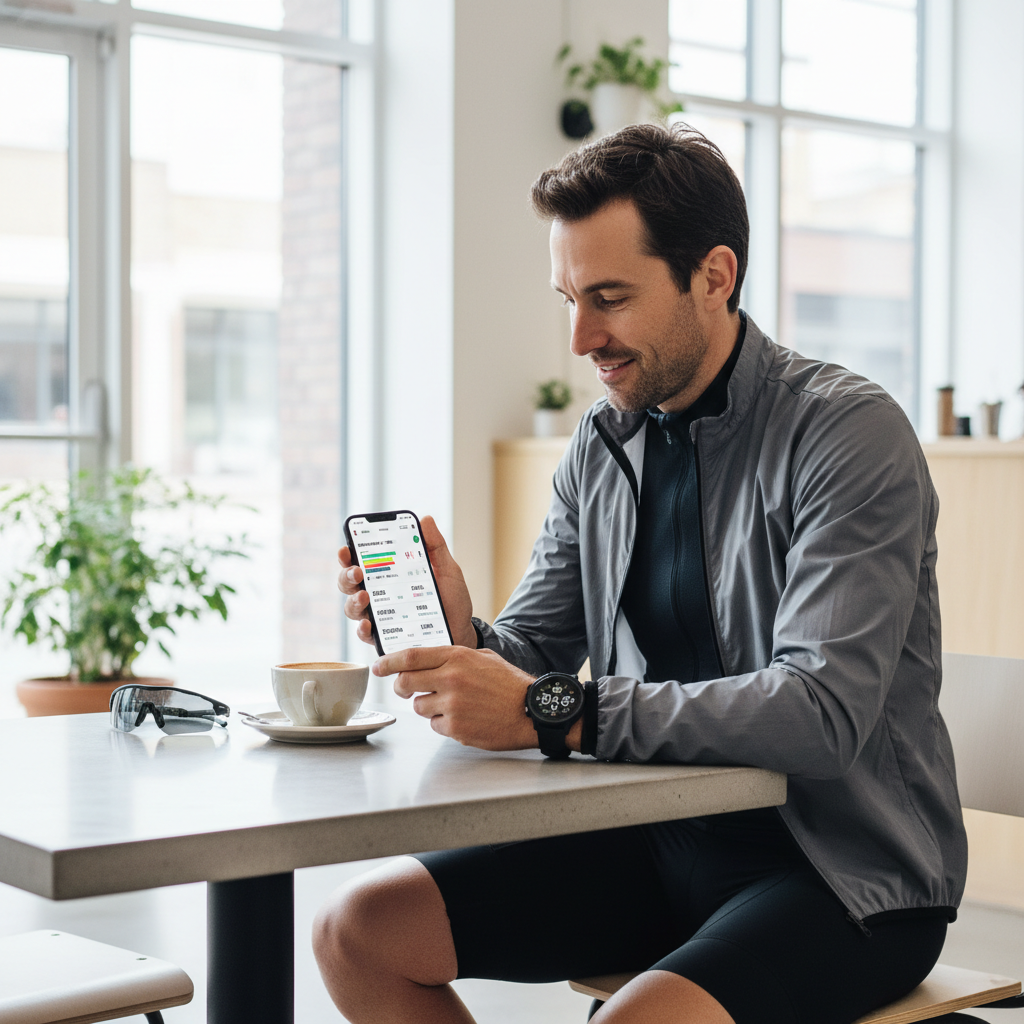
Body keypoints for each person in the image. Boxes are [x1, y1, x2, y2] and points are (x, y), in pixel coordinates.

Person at [313, 123, 967, 1024]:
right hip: (654, 840)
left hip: (844, 873)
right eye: (569, 298)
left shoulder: (846, 433)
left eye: (610, 297)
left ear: (714, 276)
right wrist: (463, 636)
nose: (581, 337)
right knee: (357, 933)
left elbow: (821, 716)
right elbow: (533, 651)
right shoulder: (605, 439)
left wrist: (556, 711)